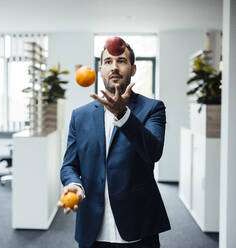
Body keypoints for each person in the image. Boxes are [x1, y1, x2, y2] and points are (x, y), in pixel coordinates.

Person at [58, 42, 171, 248]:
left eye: (122, 61)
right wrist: (74, 184)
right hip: (92, 229)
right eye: (108, 61)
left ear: (133, 69)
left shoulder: (153, 108)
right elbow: (69, 165)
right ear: (100, 70)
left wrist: (122, 114)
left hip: (138, 228)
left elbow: (153, 152)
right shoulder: (80, 116)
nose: (114, 67)